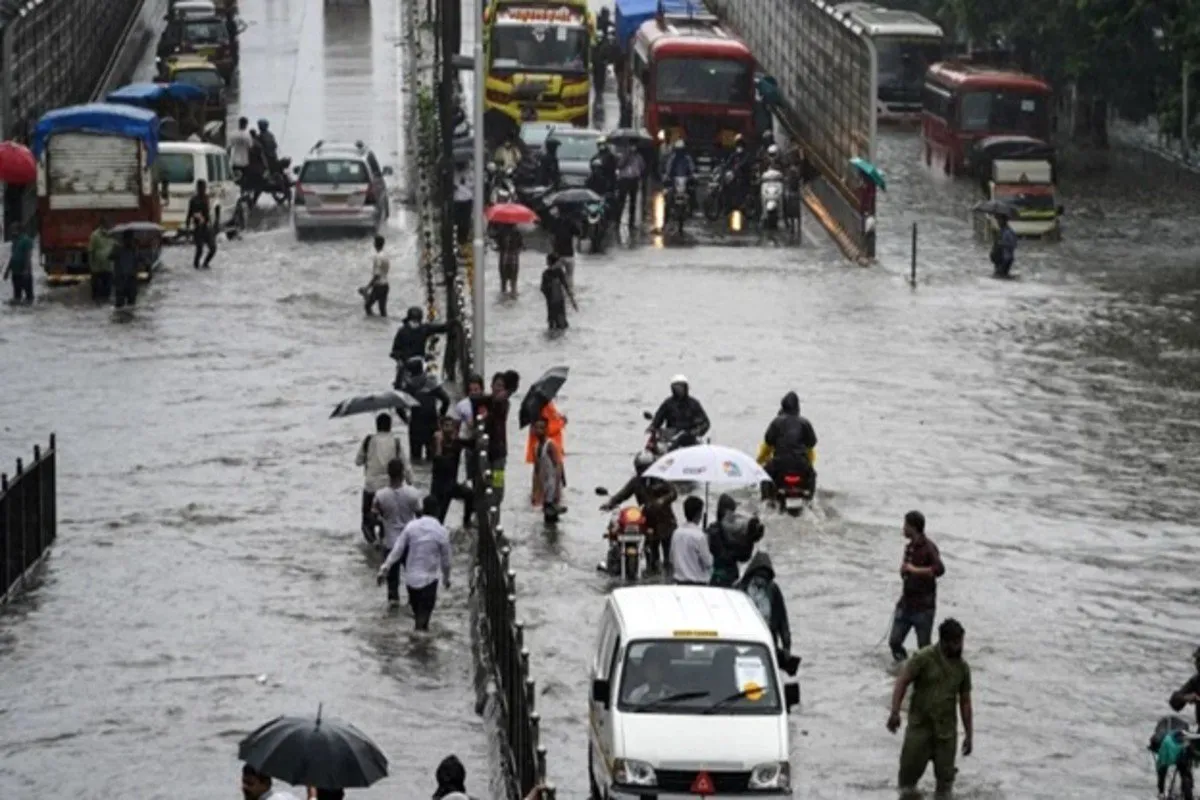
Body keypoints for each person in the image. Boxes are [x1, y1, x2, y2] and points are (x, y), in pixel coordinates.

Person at [887, 618, 973, 797]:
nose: (960, 647)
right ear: (944, 642)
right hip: (920, 729)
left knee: (945, 786)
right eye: (957, 643)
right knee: (907, 785)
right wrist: (895, 712)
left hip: (946, 734)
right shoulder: (923, 658)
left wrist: (969, 734)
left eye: (961, 642)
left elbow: (965, 702)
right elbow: (902, 682)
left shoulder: (963, 668)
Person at [378, 495, 451, 631]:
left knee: (418, 616)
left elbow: (397, 550)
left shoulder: (411, 527)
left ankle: (416, 645)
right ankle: (419, 646)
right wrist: (446, 579)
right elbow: (446, 562)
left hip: (411, 582)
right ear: (437, 511)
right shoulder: (441, 532)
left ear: (423, 510)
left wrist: (385, 568)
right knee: (423, 622)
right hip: (429, 581)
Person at [601, 450, 677, 574]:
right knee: (651, 557)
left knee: (669, 559)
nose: (642, 472)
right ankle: (650, 576)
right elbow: (623, 494)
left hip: (666, 523)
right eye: (640, 469)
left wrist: (662, 500)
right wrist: (610, 503)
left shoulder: (662, 479)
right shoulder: (636, 482)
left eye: (644, 468)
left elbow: (674, 493)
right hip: (649, 523)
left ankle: (668, 580)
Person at [888, 510, 945, 663]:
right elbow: (907, 572)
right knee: (894, 642)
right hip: (906, 604)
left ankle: (926, 675)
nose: (903, 528)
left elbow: (939, 569)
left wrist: (914, 570)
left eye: (905, 525)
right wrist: (904, 571)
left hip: (924, 608)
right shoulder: (909, 548)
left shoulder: (929, 547)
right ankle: (904, 669)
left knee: (924, 649)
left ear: (914, 527)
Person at [737, 551, 799, 675]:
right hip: (743, 641)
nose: (761, 581)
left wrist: (787, 646)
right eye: (758, 577)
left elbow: (782, 620)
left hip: (767, 641)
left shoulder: (773, 591)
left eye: (765, 578)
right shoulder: (739, 589)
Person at [372, 458, 422, 608]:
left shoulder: (380, 495)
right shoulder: (413, 494)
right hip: (410, 543)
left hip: (390, 544)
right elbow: (420, 515)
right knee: (413, 582)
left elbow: (374, 516)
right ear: (402, 473)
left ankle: (393, 616)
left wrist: (382, 525)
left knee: (392, 589)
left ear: (388, 474)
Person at [355, 413, 411, 543]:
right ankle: (383, 542)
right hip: (389, 488)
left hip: (371, 486)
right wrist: (410, 481)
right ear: (390, 426)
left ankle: (372, 544)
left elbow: (358, 461)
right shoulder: (396, 442)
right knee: (389, 519)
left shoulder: (368, 440)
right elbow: (405, 464)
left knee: (366, 521)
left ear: (377, 426)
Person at [757, 391, 818, 499]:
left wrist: (757, 463)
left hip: (779, 466)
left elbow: (767, 445)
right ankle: (810, 500)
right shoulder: (805, 423)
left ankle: (765, 502)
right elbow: (811, 446)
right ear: (798, 407)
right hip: (801, 467)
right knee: (812, 475)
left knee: (764, 475)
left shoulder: (776, 422)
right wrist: (808, 464)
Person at [396, 356, 451, 462]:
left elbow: (398, 407)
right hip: (431, 424)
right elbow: (446, 400)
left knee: (415, 459)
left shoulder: (408, 387)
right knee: (432, 459)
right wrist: (441, 415)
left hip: (415, 426)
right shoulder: (431, 382)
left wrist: (406, 420)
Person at [707, 494, 763, 586]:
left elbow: (743, 556)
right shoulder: (715, 532)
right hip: (720, 577)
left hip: (729, 576)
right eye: (732, 512)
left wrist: (750, 539)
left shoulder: (729, 531)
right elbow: (726, 555)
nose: (734, 516)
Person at [431, 415, 474, 527]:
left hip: (452, 485)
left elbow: (471, 444)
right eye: (446, 426)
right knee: (438, 519)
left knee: (470, 494)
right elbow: (438, 461)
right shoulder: (436, 441)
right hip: (439, 488)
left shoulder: (456, 442)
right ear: (441, 428)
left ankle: (466, 522)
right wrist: (439, 443)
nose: (449, 429)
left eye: (451, 426)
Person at [648, 375, 710, 446]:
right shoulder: (668, 403)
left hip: (690, 438)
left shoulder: (693, 404)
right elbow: (659, 417)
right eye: (676, 387)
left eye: (681, 387)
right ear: (672, 388)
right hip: (671, 438)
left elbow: (705, 423)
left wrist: (696, 431)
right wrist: (653, 426)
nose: (679, 389)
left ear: (686, 388)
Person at [530, 417, 566, 523]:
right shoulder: (535, 447)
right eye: (536, 428)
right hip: (544, 486)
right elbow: (536, 471)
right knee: (546, 515)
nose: (538, 431)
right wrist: (535, 491)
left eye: (541, 428)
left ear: (546, 430)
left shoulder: (550, 445)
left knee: (552, 516)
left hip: (552, 484)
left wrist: (557, 490)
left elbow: (558, 466)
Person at [1151, 714, 1194, 800]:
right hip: (1176, 755)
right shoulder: (1165, 741)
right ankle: (1162, 792)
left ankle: (1162, 792)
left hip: (1175, 755)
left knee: (1163, 770)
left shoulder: (1164, 742)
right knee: (1183, 770)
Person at [670, 496, 712, 585]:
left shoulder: (676, 533)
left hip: (679, 583)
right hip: (698, 584)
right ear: (699, 514)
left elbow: (672, 558)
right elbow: (708, 563)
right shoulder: (700, 536)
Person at [540, 253, 577, 331]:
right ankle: (561, 340)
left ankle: (555, 339)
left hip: (553, 302)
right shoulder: (557, 272)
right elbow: (566, 287)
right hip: (558, 301)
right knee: (561, 324)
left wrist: (573, 301)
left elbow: (542, 289)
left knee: (553, 323)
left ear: (548, 262)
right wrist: (573, 302)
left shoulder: (547, 273)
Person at [545, 207, 578, 289]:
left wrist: (553, 249)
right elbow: (578, 233)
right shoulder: (571, 222)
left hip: (558, 255)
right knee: (569, 276)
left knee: (554, 275)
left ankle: (558, 293)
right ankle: (570, 294)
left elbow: (551, 238)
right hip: (570, 254)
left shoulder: (554, 223)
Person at [525, 400, 566, 465]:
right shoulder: (542, 406)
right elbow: (544, 429)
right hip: (547, 454)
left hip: (549, 453)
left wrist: (560, 418)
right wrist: (562, 422)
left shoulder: (544, 404)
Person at [616, 144, 646, 232]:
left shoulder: (639, 157)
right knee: (621, 200)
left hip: (634, 179)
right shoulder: (624, 155)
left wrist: (638, 172)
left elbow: (642, 166)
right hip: (624, 179)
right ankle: (617, 220)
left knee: (633, 202)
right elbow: (619, 165)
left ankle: (631, 221)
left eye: (634, 146)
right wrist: (626, 158)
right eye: (631, 146)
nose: (633, 147)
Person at [187, 179, 216, 269]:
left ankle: (205, 264)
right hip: (198, 228)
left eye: (204, 187)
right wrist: (188, 225)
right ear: (198, 188)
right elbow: (190, 213)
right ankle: (196, 266)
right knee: (199, 249)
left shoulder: (206, 198)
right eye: (201, 188)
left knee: (213, 248)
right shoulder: (194, 200)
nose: (203, 189)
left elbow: (208, 213)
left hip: (207, 227)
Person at [4, 221, 34, 305]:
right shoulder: (15, 241)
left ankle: (28, 315)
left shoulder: (26, 240)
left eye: (12, 230)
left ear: (18, 230)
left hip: (24, 272)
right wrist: (7, 270)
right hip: (15, 272)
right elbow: (13, 257)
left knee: (29, 297)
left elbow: (28, 256)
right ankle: (17, 314)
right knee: (17, 296)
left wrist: (25, 270)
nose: (11, 232)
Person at [662, 139, 697, 209]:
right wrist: (667, 175)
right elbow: (668, 167)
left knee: (692, 190)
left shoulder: (687, 158)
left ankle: (693, 206)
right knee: (667, 192)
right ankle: (668, 208)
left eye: (681, 150)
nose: (680, 152)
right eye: (678, 150)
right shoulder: (672, 158)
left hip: (685, 178)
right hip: (674, 178)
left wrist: (693, 174)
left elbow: (692, 167)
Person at [111, 229, 139, 310]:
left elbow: (140, 260)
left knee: (131, 305)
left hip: (131, 280)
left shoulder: (134, 250)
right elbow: (110, 257)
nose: (131, 241)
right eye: (129, 239)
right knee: (119, 306)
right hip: (121, 281)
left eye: (132, 239)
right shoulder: (118, 249)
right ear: (124, 239)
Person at [87, 219, 114, 302]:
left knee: (107, 290)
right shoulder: (95, 235)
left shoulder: (113, 234)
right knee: (95, 290)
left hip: (109, 267)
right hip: (97, 268)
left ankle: (104, 306)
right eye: (106, 224)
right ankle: (96, 306)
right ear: (101, 225)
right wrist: (92, 266)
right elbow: (91, 251)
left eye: (109, 224)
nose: (108, 226)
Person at [363, 234, 389, 316]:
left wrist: (367, 287)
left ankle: (372, 326)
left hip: (379, 286)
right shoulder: (385, 255)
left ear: (375, 244)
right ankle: (383, 326)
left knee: (367, 306)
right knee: (383, 310)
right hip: (385, 285)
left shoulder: (377, 257)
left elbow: (377, 275)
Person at [493, 222, 522, 295]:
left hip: (504, 258)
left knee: (503, 279)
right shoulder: (517, 233)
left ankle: (503, 294)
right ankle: (513, 293)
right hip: (514, 258)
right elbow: (520, 245)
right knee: (513, 280)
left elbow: (497, 244)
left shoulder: (501, 232)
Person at [453, 162, 473, 245]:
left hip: (467, 199)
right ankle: (456, 240)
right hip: (457, 199)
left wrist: (465, 182)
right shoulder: (454, 172)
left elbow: (473, 184)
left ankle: (463, 240)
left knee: (465, 221)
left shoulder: (470, 172)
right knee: (456, 221)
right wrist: (457, 185)